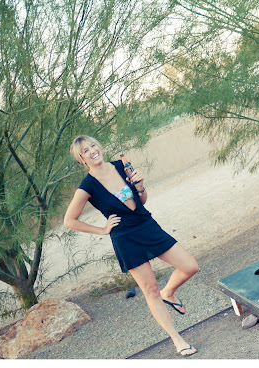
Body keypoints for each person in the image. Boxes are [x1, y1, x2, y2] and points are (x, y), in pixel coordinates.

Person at [64, 135, 199, 357]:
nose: (92, 151)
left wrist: (140, 187)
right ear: (81, 159)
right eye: (85, 151)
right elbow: (69, 220)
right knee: (150, 290)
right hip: (125, 237)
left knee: (190, 266)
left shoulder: (120, 166)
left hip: (146, 225)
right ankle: (178, 340)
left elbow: (140, 201)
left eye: (93, 145)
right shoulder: (87, 186)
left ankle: (169, 292)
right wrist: (102, 230)